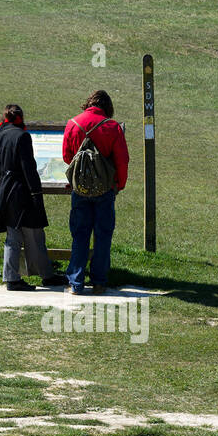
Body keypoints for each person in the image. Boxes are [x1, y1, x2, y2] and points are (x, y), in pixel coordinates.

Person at [0, 104, 66, 291]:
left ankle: (11, 278)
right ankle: (46, 275)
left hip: (5, 190)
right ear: (21, 118)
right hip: (22, 191)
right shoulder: (22, 136)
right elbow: (28, 167)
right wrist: (36, 193)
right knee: (35, 234)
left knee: (13, 237)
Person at [62, 90, 130, 295]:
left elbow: (67, 156)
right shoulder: (112, 127)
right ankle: (99, 282)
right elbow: (122, 160)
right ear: (107, 107)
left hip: (80, 189)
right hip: (105, 189)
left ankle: (75, 282)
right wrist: (119, 184)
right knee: (103, 235)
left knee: (80, 235)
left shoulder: (73, 123)